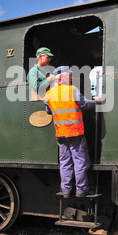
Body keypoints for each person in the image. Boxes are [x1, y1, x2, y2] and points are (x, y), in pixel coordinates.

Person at [44, 66, 100, 198]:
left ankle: (66, 191)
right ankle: (81, 190)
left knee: (65, 162)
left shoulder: (48, 94)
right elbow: (85, 105)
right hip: (75, 133)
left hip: (61, 134)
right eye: (69, 75)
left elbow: (48, 111)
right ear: (62, 77)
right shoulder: (72, 90)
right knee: (80, 161)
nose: (71, 78)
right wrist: (96, 101)